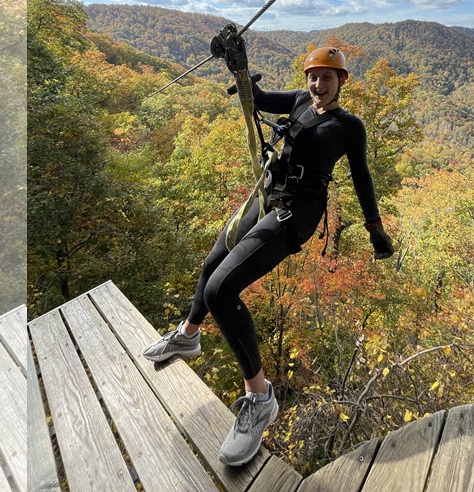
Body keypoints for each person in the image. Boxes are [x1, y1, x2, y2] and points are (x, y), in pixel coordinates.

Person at [142, 47, 394, 466]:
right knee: (211, 266)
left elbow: (363, 176)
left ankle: (260, 399)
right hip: (269, 198)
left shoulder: (349, 125)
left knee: (223, 289)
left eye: (327, 78)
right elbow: (255, 100)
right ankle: (189, 334)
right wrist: (240, 69)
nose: (318, 84)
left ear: (342, 81)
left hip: (297, 213)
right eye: (314, 76)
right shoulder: (298, 100)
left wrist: (375, 228)